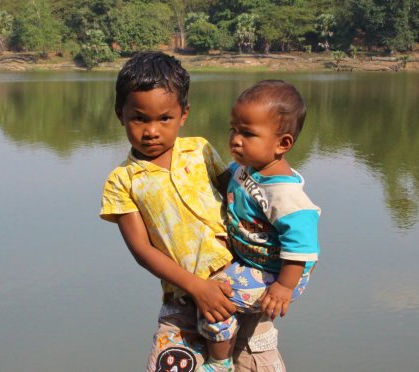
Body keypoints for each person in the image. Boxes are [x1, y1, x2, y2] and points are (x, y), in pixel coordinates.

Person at [100, 52, 285, 372]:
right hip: (184, 303)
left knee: (256, 363)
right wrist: (198, 287)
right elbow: (142, 251)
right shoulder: (122, 181)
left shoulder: (199, 149)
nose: (151, 131)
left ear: (183, 114)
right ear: (121, 115)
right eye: (139, 118)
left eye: (164, 118)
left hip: (242, 286)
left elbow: (241, 197)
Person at [198, 80, 321, 370]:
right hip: (252, 260)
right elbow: (224, 186)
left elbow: (303, 248)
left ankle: (219, 361)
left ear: (283, 143)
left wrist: (282, 288)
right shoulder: (246, 169)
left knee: (216, 296)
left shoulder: (285, 195)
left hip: (279, 272)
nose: (235, 140)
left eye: (248, 133)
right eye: (233, 129)